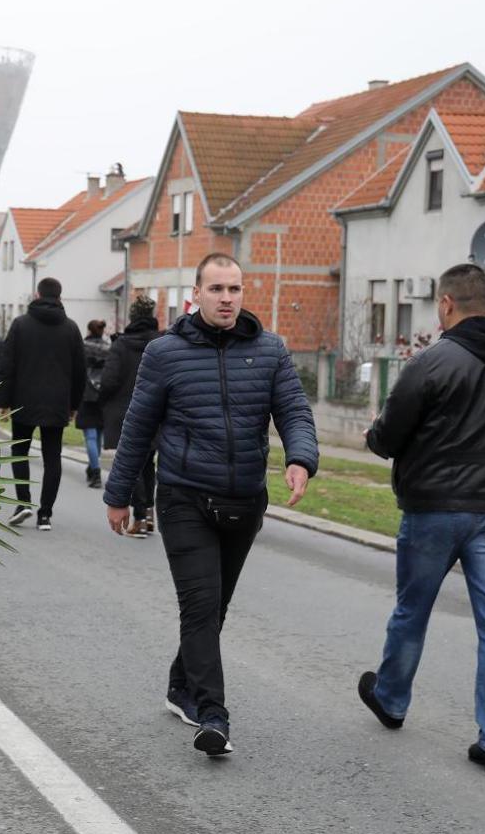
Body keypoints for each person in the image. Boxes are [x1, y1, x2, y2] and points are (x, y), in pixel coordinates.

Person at [103, 253, 318, 756]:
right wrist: (118, 495)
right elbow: (137, 427)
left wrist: (301, 458)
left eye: (234, 289)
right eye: (216, 289)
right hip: (183, 496)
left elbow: (294, 410)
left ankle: (182, 686)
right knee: (199, 605)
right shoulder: (164, 353)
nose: (226, 298)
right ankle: (213, 714)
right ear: (195, 296)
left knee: (214, 606)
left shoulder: (270, 350)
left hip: (244, 499)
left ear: (244, 295)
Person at [356, 263, 485, 776]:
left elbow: (389, 436)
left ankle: (391, 699)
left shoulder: (431, 362)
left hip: (434, 507)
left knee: (412, 612)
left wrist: (375, 435)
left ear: (446, 304)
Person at [0, 277, 85, 531]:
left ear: (37, 294)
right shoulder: (70, 328)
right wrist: (74, 404)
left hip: (23, 400)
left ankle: (23, 502)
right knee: (52, 457)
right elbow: (81, 370)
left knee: (19, 452)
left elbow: (8, 364)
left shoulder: (20, 324)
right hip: (57, 401)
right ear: (60, 296)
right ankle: (45, 513)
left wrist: (3, 401)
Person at [98, 296, 161, 536]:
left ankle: (141, 515)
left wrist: (105, 402)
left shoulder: (122, 345)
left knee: (132, 463)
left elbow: (109, 380)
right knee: (148, 465)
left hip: (126, 412)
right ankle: (148, 513)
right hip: (157, 413)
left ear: (132, 316)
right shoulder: (163, 342)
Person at [76, 319, 110, 488]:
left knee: (90, 435)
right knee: (98, 434)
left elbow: (77, 370)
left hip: (87, 393)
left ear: (89, 331)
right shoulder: (109, 348)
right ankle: (92, 466)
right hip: (104, 395)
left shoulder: (82, 346)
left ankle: (95, 472)